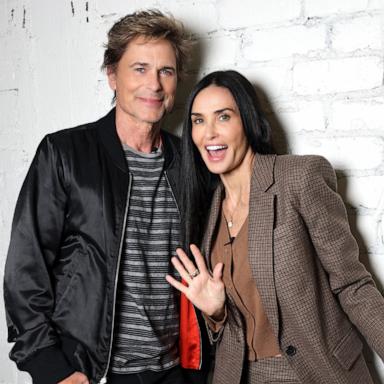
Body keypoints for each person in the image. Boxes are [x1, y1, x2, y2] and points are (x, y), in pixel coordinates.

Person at [4, 10, 209, 384]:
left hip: (174, 373)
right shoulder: (65, 154)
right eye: (140, 69)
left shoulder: (189, 165)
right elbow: (25, 270)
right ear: (113, 75)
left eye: (166, 71)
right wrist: (53, 368)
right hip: (92, 373)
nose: (155, 84)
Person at [166, 70, 384, 384]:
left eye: (223, 117)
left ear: (248, 121)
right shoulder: (208, 207)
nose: (209, 133)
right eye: (198, 121)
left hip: (312, 373)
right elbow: (236, 320)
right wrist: (215, 313)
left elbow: (352, 286)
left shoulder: (298, 178)